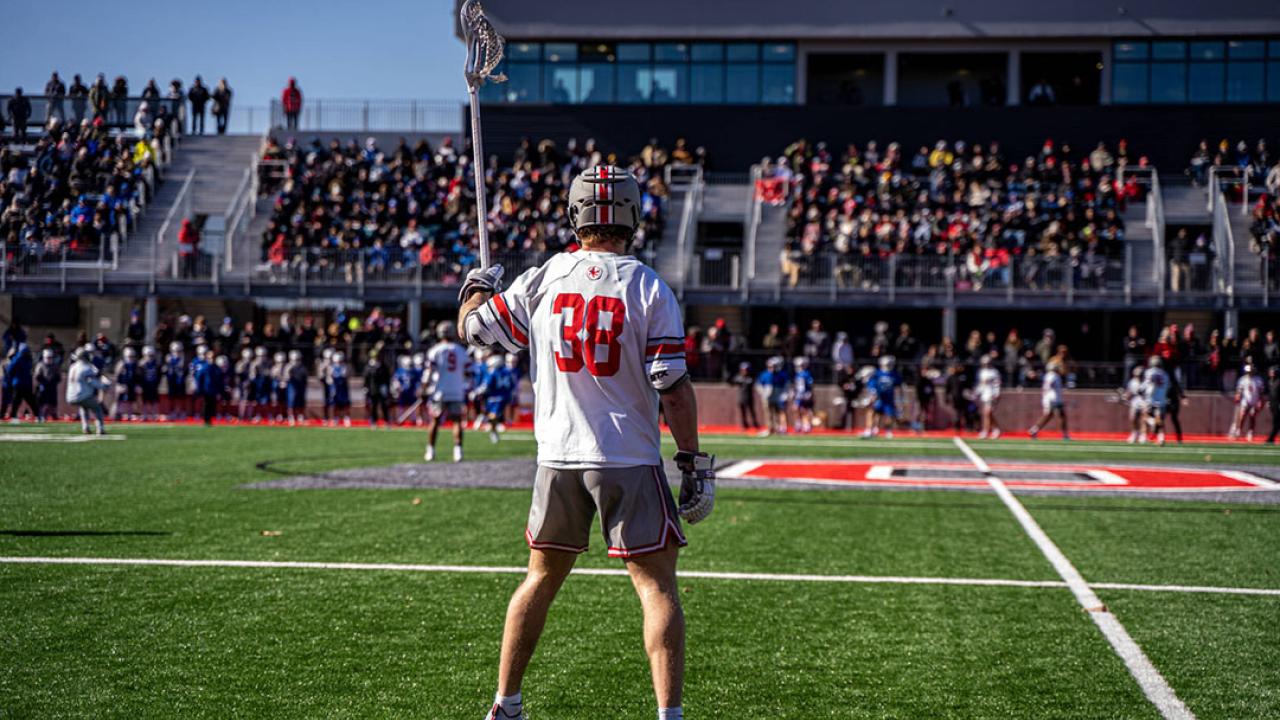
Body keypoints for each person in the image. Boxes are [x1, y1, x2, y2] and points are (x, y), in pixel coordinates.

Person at [456, 164, 712, 720]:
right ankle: (669, 715)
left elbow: (474, 330)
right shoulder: (647, 286)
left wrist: (476, 287)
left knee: (539, 580)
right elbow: (672, 386)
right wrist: (692, 461)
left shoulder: (544, 276)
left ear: (575, 215)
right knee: (657, 587)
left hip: (557, 456)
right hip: (626, 455)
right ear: (635, 216)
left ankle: (506, 703)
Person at [423, 321, 469, 461]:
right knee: (456, 421)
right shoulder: (460, 350)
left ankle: (430, 450)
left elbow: (429, 372)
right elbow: (469, 371)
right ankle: (458, 451)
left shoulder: (435, 350)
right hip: (456, 390)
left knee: (435, 421)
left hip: (440, 391)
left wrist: (424, 387)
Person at [66, 345, 108, 434]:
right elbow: (91, 381)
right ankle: (100, 429)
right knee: (97, 408)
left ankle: (85, 427)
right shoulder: (86, 367)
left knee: (84, 407)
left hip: (71, 396)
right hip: (82, 395)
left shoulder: (73, 367)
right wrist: (104, 386)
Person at [476, 353, 517, 443]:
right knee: (495, 414)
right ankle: (488, 423)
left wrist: (478, 391)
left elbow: (487, 384)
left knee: (494, 415)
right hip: (502, 396)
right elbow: (512, 384)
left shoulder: (494, 372)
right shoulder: (508, 371)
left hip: (495, 397)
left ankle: (486, 420)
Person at [1028, 360, 1069, 440]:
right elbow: (1049, 384)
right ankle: (1065, 435)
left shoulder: (1049, 375)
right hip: (1053, 399)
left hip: (1051, 398)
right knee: (1061, 416)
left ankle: (1033, 430)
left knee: (1048, 416)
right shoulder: (1053, 375)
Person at [863, 355, 902, 439]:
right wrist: (872, 395)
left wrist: (900, 400)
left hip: (889, 398)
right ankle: (869, 430)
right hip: (879, 398)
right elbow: (872, 385)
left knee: (889, 415)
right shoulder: (877, 373)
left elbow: (898, 386)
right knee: (872, 412)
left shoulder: (894, 374)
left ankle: (888, 431)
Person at [1230, 364, 1265, 441]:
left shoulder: (1258, 380)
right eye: (1248, 371)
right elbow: (1239, 390)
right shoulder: (1242, 379)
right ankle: (1238, 431)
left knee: (1252, 415)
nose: (1250, 373)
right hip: (1245, 400)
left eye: (1251, 371)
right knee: (1242, 415)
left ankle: (1250, 432)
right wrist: (1238, 395)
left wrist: (1260, 401)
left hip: (1254, 400)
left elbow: (1261, 392)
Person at [1140, 356, 1170, 446]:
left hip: (1151, 399)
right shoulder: (1165, 374)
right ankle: (1161, 438)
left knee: (1145, 416)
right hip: (1162, 400)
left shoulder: (1149, 372)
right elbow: (1167, 387)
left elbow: (1145, 385)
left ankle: (1146, 431)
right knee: (1160, 420)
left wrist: (1140, 390)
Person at [757, 356, 790, 435]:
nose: (771, 368)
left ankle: (778, 429)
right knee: (768, 413)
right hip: (767, 397)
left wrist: (785, 394)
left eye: (773, 366)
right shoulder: (765, 374)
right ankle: (769, 429)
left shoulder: (781, 375)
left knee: (778, 413)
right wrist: (763, 393)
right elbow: (759, 385)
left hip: (777, 396)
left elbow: (786, 385)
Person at [194, 348, 223, 426]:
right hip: (206, 389)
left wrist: (219, 389)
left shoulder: (215, 367)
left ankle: (209, 419)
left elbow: (219, 379)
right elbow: (199, 378)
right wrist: (200, 389)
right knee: (206, 404)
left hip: (213, 389)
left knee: (212, 404)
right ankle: (206, 419)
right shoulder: (205, 367)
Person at [975, 355, 1001, 439]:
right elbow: (981, 385)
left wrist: (997, 393)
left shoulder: (994, 372)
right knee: (988, 414)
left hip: (991, 395)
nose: (986, 365)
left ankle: (985, 431)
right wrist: (977, 392)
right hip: (984, 395)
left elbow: (997, 384)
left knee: (987, 413)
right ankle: (996, 429)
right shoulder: (981, 372)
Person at [363, 352, 392, 428]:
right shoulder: (369, 366)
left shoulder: (383, 366)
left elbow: (387, 378)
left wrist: (387, 387)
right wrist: (366, 387)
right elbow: (366, 378)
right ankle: (373, 421)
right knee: (373, 406)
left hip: (382, 388)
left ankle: (386, 421)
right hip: (373, 389)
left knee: (384, 405)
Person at [730, 361, 759, 430]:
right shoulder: (738, 377)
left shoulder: (750, 378)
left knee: (752, 411)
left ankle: (755, 424)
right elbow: (732, 382)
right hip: (741, 397)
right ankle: (744, 424)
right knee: (743, 412)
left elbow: (753, 382)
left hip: (749, 397)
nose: (744, 371)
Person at [1122, 366, 1148, 444]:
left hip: (1144, 400)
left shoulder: (1146, 382)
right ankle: (1134, 433)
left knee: (1144, 419)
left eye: (1140, 374)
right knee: (1133, 418)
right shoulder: (1132, 382)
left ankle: (1143, 435)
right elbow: (1129, 392)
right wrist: (1125, 397)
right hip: (1135, 401)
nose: (1138, 375)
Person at [33, 348, 61, 421]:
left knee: (53, 402)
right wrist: (42, 382)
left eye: (50, 358)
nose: (49, 359)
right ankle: (41, 415)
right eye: (48, 358)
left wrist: (53, 381)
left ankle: (53, 414)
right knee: (41, 402)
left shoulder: (55, 365)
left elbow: (58, 377)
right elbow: (37, 376)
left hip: (52, 386)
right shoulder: (40, 365)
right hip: (43, 386)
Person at [327, 351, 352, 427]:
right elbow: (329, 379)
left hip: (343, 388)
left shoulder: (345, 367)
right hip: (335, 388)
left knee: (345, 404)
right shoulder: (331, 367)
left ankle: (346, 418)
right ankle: (335, 418)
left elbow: (347, 376)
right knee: (335, 404)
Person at [392, 355, 420, 425]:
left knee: (412, 406)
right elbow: (395, 380)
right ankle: (400, 420)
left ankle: (413, 420)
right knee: (401, 406)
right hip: (402, 392)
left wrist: (418, 389)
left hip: (411, 392)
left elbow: (417, 381)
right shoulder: (400, 371)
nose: (409, 366)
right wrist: (397, 388)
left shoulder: (414, 371)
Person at [114, 347, 140, 420]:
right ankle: (117, 414)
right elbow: (117, 375)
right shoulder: (122, 363)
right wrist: (119, 385)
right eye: (129, 356)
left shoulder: (134, 364)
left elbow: (137, 376)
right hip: (122, 385)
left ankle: (129, 414)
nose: (131, 358)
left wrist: (137, 385)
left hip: (131, 385)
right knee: (119, 400)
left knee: (130, 401)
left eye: (132, 356)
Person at [165, 342, 189, 419]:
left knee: (181, 398)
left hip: (181, 381)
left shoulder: (184, 359)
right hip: (172, 381)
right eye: (175, 351)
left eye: (179, 351)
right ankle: (172, 411)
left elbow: (186, 370)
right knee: (172, 398)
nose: (177, 353)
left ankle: (181, 411)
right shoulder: (169, 358)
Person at [138, 346, 163, 420]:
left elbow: (159, 374)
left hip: (154, 384)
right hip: (145, 385)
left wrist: (158, 383)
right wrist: (139, 384)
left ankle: (155, 414)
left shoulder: (156, 363)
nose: (150, 357)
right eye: (148, 355)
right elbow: (138, 375)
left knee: (154, 400)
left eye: (151, 355)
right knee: (144, 400)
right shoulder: (141, 364)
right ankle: (144, 414)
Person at [791, 356, 815, 433]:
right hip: (798, 394)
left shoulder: (806, 374)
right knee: (796, 409)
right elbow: (796, 385)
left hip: (804, 394)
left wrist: (809, 393)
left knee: (804, 410)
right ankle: (799, 424)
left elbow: (810, 384)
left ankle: (806, 425)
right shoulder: (798, 374)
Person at [285, 350, 309, 426]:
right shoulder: (288, 367)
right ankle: (291, 416)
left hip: (301, 386)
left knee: (301, 401)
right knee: (291, 401)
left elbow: (305, 377)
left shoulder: (303, 367)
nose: (296, 362)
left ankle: (300, 416)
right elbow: (286, 377)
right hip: (292, 386)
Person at [1267, 366, 1280, 444]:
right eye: (1271, 371)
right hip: (1273, 404)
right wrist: (1269, 402)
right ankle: (1271, 439)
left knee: (1276, 423)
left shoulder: (1278, 381)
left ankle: (1270, 439)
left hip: (1278, 404)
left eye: (1273, 372)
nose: (1271, 373)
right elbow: (1271, 394)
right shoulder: (1270, 382)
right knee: (1276, 423)